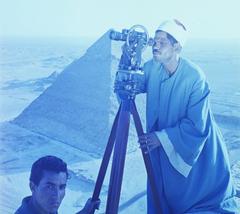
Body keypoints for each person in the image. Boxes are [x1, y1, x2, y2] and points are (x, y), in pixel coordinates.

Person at [138, 19, 239, 213]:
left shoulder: (194, 77)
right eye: (154, 41)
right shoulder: (152, 67)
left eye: (162, 42)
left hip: (195, 148)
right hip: (162, 149)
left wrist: (160, 138)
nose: (155, 46)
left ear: (177, 46)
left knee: (197, 197)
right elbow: (132, 86)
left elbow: (196, 125)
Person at [15, 155, 100, 214]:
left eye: (61, 187)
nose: (57, 195)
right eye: (49, 187)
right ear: (32, 187)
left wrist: (85, 211)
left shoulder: (45, 209)